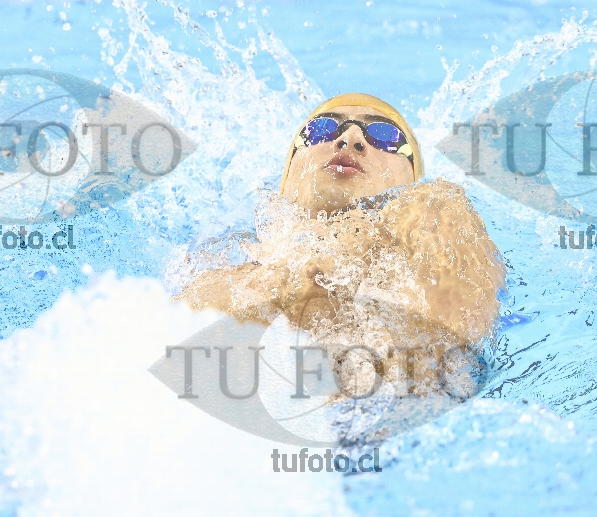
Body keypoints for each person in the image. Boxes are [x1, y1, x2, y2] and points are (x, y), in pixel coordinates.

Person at [174, 93, 505, 398]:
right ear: (287, 177)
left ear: (410, 178)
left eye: (385, 136)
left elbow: (453, 335)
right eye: (321, 129)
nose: (351, 138)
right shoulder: (220, 279)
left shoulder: (435, 210)